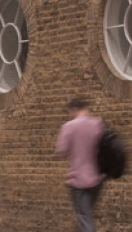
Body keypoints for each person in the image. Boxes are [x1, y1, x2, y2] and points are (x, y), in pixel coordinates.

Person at [56, 97, 106, 232]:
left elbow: (61, 151)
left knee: (84, 216)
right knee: (86, 214)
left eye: (70, 112)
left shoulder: (69, 126)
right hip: (97, 179)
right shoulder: (98, 124)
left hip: (78, 180)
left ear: (73, 109)